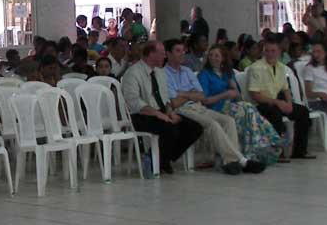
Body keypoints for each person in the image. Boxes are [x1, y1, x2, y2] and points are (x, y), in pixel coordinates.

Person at [163, 40, 265, 175]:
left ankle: (230, 161)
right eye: (178, 51)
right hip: (182, 110)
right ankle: (241, 161)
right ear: (168, 54)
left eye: (183, 51)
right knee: (212, 124)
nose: (182, 54)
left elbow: (201, 95)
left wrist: (184, 94)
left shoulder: (187, 71)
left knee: (228, 121)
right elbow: (174, 101)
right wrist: (190, 95)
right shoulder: (164, 73)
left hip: (198, 106)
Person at [121, 41, 203, 174]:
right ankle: (159, 160)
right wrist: (158, 114)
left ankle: (163, 159)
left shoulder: (159, 72)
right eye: (161, 54)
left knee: (194, 128)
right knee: (170, 130)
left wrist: (170, 112)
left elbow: (165, 99)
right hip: (142, 115)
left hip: (161, 111)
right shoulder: (133, 73)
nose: (164, 57)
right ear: (151, 55)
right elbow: (134, 102)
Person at [198, 45, 282, 163]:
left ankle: (255, 148)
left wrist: (233, 88)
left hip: (233, 106)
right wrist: (225, 94)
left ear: (223, 58)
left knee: (248, 108)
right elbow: (204, 100)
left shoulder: (228, 73)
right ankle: (264, 144)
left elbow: (239, 97)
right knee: (248, 110)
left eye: (217, 55)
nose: (213, 58)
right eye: (211, 55)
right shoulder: (205, 75)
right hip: (216, 108)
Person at [248, 37, 314, 161]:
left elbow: (285, 89)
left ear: (279, 52)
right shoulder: (256, 68)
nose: (270, 54)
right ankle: (277, 152)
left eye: (273, 51)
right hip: (262, 103)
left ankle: (299, 151)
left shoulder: (281, 67)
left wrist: (289, 103)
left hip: (277, 102)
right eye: (267, 51)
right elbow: (254, 94)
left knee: (303, 112)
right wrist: (277, 102)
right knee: (275, 113)